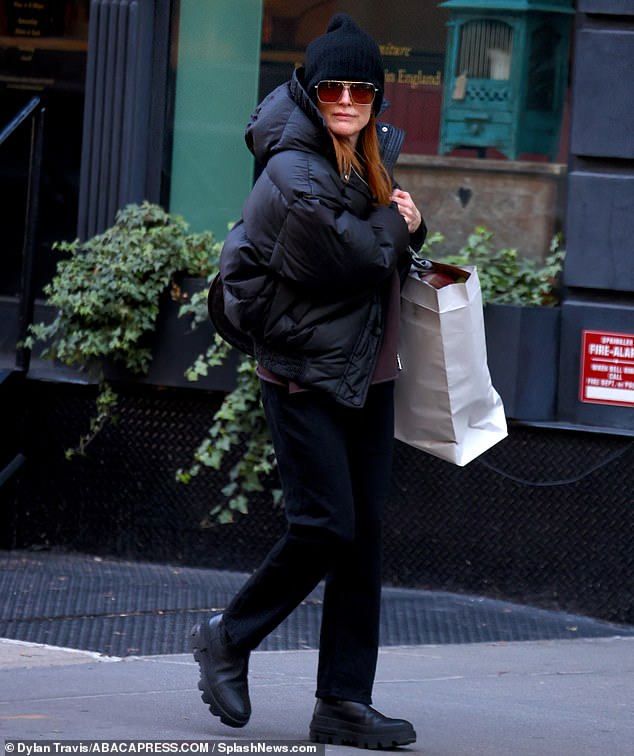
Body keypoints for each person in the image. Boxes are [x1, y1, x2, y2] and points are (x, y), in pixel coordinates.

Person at [192, 13, 425, 749]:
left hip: (361, 365)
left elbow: (374, 247)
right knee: (326, 523)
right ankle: (228, 636)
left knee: (363, 537)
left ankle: (343, 703)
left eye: (362, 88)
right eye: (333, 88)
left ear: (377, 95)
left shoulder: (365, 151)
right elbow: (352, 257)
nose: (348, 99)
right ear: (310, 90)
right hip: (300, 370)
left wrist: (405, 229)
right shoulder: (293, 165)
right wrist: (401, 227)